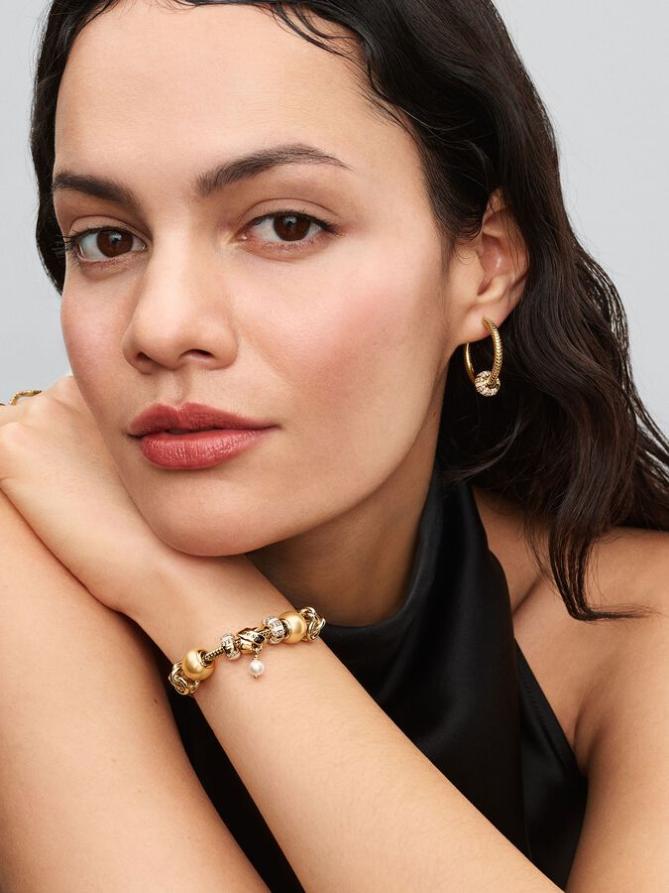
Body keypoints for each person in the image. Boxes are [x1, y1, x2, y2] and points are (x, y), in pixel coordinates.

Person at [0, 0, 667, 890]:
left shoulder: (631, 621)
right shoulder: (16, 573)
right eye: (106, 239)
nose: (161, 326)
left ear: (485, 266)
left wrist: (195, 598)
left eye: (286, 225)